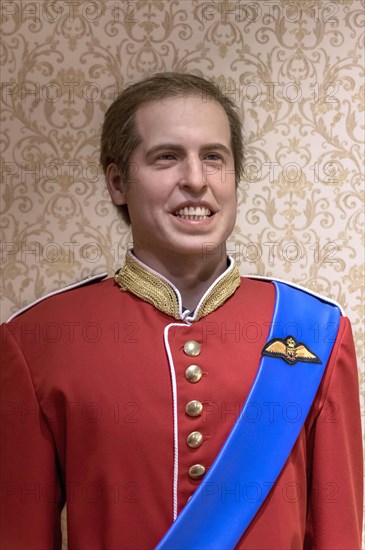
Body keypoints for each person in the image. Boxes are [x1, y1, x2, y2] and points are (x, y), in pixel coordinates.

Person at [1, 73, 362, 549]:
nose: (196, 179)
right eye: (167, 157)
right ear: (117, 183)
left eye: (214, 157)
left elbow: (338, 537)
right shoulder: (39, 341)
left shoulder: (317, 332)